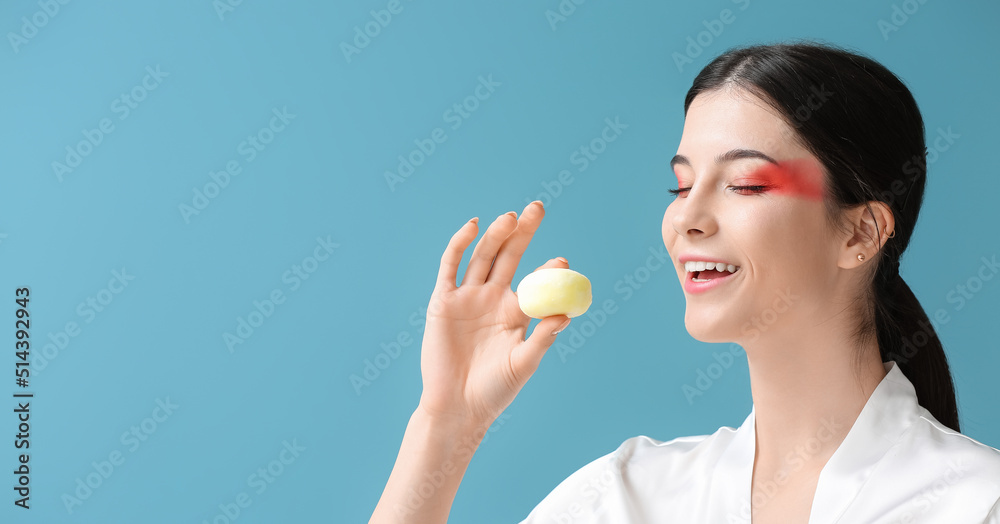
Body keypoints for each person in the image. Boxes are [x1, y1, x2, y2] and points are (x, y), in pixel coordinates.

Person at [369, 41, 1000, 523]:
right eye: (680, 184)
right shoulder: (628, 498)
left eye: (746, 184)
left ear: (860, 233)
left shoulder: (974, 503)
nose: (686, 219)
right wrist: (447, 424)